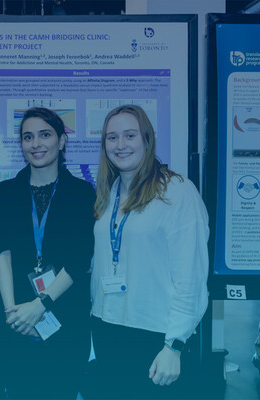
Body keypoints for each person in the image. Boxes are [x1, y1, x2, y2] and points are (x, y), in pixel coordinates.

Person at [88, 104, 209, 399]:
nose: (120, 145)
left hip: (156, 335)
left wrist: (175, 345)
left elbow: (190, 276)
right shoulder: (111, 191)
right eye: (111, 137)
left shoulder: (177, 192)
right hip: (108, 327)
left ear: (147, 139)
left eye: (129, 135)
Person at [0, 107, 95, 399]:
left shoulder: (83, 193)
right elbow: (2, 254)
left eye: (45, 135)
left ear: (61, 141)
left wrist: (41, 305)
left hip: (65, 316)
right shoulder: (5, 192)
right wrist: (12, 314)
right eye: (28, 137)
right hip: (15, 317)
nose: (36, 144)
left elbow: (79, 259)